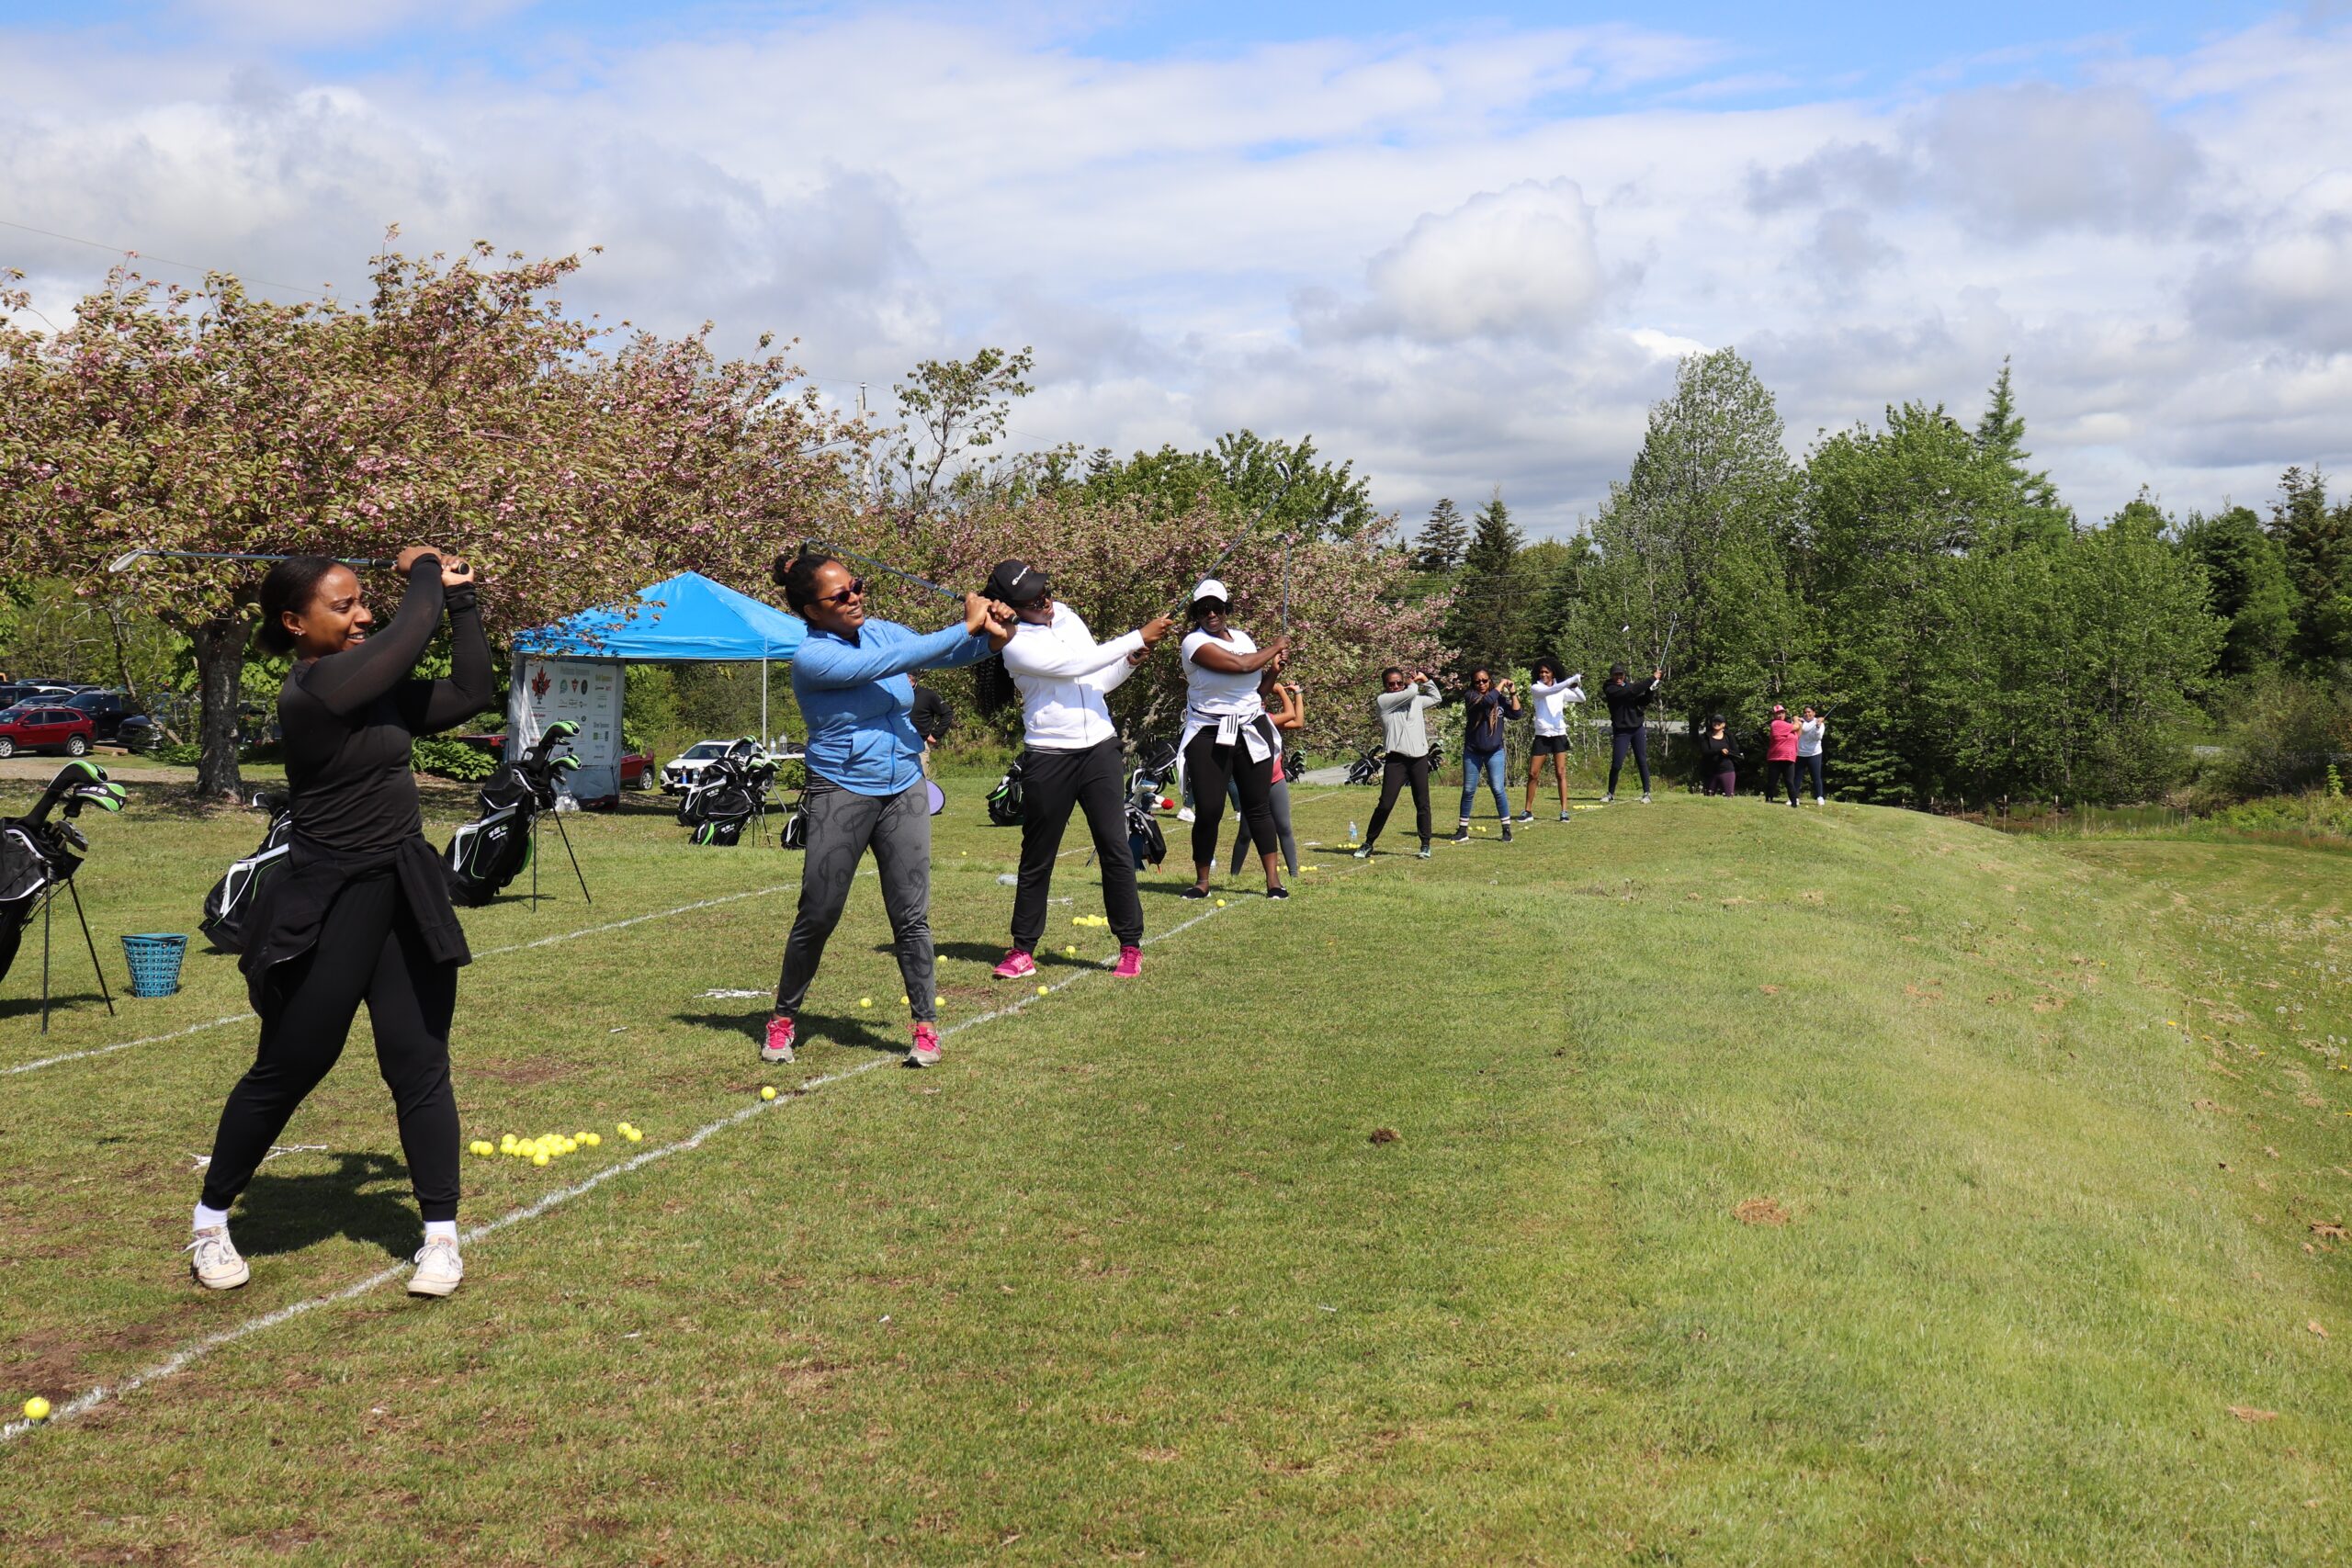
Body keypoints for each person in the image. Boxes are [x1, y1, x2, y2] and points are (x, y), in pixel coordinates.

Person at [190, 545, 492, 1298]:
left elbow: (473, 687)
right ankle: (210, 1221)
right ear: (294, 623)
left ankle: (440, 1238)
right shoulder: (315, 693)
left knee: (418, 1062)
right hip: (327, 903)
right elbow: (407, 630)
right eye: (345, 605)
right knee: (292, 1065)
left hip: (403, 892)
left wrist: (461, 602)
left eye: (365, 602)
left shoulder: (374, 692)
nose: (364, 616)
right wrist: (424, 570)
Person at [766, 550, 1012, 1070]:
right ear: (813, 610)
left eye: (856, 586)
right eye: (841, 595)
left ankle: (925, 1027)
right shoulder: (813, 656)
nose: (855, 597)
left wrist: (990, 634)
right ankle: (784, 1018)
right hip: (842, 789)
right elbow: (885, 665)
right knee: (820, 911)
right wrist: (963, 624)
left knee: (912, 914)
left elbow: (945, 656)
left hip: (904, 784)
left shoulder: (881, 630)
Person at [981, 558, 1173, 982]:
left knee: (1115, 848)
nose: (1046, 601)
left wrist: (1129, 660)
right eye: (1033, 599)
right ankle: (1022, 950)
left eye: (1045, 590)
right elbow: (1071, 668)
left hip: (1100, 750)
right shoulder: (1013, 642)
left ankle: (1129, 945)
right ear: (1010, 606)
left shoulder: (1065, 613)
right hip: (1049, 755)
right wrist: (1136, 635)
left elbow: (1096, 678)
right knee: (1038, 856)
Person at [1178, 579, 1290, 899]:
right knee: (1210, 809)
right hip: (1209, 732)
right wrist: (1276, 645)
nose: (1210, 614)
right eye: (1203, 610)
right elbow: (1241, 666)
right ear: (1196, 614)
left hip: (1250, 729)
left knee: (1258, 806)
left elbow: (1253, 692)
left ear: (1227, 609)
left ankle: (1273, 882)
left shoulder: (1242, 637)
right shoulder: (1193, 643)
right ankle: (1202, 882)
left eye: (1216, 608)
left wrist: (1273, 672)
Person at [1352, 667, 1440, 859]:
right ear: (1385, 686)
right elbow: (1412, 691)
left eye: (1399, 682)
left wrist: (1426, 680)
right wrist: (1412, 683)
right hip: (1396, 760)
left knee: (1422, 803)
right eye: (1391, 684)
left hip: (1418, 758)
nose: (1396, 686)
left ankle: (1425, 844)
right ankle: (1368, 843)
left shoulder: (1414, 700)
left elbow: (1436, 698)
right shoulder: (1384, 701)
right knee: (1385, 803)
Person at [1231, 675, 1302, 876]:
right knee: (1246, 832)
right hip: (1253, 782)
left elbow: (1297, 722)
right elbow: (1289, 714)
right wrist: (1280, 691)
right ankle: (1234, 874)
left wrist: (1297, 694)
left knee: (1284, 827)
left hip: (1276, 780)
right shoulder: (1255, 720)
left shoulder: (1268, 720)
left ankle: (1294, 873)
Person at [1452, 668, 1522, 843]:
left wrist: (1512, 692)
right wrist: (1501, 684)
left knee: (1498, 789)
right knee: (1468, 790)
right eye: (1478, 681)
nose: (1481, 684)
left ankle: (1506, 830)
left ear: (1489, 680)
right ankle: (1462, 830)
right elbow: (1486, 702)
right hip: (1473, 752)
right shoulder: (1471, 696)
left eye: (1484, 680)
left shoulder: (1498, 698)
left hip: (1494, 752)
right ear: (1473, 683)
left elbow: (1516, 714)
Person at [1517, 659, 1583, 822]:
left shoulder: (1560, 689)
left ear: (1553, 673)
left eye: (1547, 672)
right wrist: (1571, 680)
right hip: (1542, 735)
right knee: (1533, 773)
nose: (1544, 675)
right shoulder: (1536, 688)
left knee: (1560, 773)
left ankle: (1564, 812)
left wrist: (1575, 686)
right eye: (1541, 672)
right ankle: (1528, 811)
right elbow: (1553, 690)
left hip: (1559, 734)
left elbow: (1582, 699)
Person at [1600, 664, 1662, 802]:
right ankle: (1610, 793)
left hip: (1637, 729)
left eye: (1620, 675)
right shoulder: (1610, 688)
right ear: (1611, 676)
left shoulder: (1629, 687)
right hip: (1621, 731)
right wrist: (1652, 678)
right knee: (1617, 763)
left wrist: (1650, 691)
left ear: (1624, 675)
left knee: (1641, 760)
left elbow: (1643, 701)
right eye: (1615, 675)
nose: (1618, 677)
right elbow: (1631, 692)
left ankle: (1647, 793)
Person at [910, 682, 951, 780]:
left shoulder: (928, 695)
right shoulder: (896, 694)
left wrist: (935, 734)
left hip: (920, 744)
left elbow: (947, 713)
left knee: (921, 782)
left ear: (910, 678)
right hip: (898, 745)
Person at [1764, 702, 1800, 807]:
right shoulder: (1776, 724)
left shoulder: (1788, 727)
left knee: (1789, 782)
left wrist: (1799, 724)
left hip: (1789, 757)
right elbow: (1796, 726)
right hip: (1775, 757)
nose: (1780, 715)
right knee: (1772, 781)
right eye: (1778, 713)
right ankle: (1769, 800)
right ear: (1774, 715)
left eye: (1782, 713)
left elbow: (1798, 734)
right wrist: (1797, 720)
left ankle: (1794, 803)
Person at [1699, 714, 1739, 796]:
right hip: (1711, 771)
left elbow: (1736, 752)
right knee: (1708, 797)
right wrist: (1719, 751)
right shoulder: (1705, 736)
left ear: (1723, 724)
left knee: (1729, 797)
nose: (1716, 723)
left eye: (1719, 722)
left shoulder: (1728, 736)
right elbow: (1705, 752)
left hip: (1727, 770)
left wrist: (1728, 752)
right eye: (1714, 721)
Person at [1797, 705, 1828, 805]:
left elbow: (1818, 737)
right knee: (1797, 777)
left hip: (1814, 753)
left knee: (1816, 777)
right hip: (1800, 753)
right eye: (1805, 712)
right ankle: (1794, 797)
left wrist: (1818, 725)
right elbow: (1799, 731)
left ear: (1814, 713)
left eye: (1809, 712)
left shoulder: (1820, 724)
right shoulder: (1800, 722)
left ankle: (1819, 797)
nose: (1807, 714)